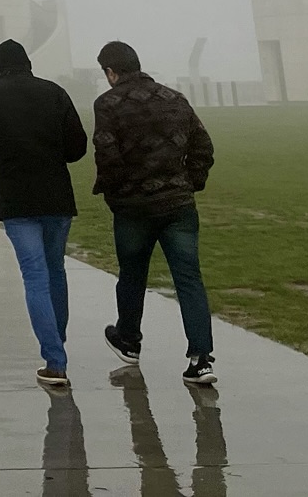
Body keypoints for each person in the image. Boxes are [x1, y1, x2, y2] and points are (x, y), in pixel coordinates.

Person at [0, 38, 89, 388]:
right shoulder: (55, 92)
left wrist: (3, 150)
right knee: (55, 271)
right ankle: (56, 345)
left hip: (17, 198)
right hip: (57, 196)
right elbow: (77, 146)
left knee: (34, 276)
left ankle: (55, 360)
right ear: (29, 64)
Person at [92, 40, 217, 386]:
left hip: (133, 207)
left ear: (111, 71)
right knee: (189, 279)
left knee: (132, 274)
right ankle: (200, 358)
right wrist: (190, 183)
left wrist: (116, 196)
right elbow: (202, 146)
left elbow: (107, 155)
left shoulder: (108, 104)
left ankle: (129, 339)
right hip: (177, 204)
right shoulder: (174, 99)